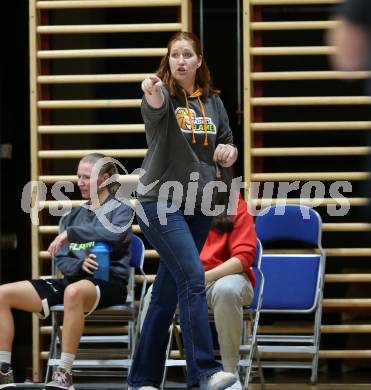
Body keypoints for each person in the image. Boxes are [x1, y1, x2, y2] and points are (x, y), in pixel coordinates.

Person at [128, 32, 239, 390]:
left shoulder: (214, 102)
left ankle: (142, 379)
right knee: (192, 278)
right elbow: (155, 106)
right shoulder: (164, 94)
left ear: (198, 61)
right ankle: (203, 373)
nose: (180, 61)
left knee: (165, 292)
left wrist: (228, 153)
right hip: (159, 200)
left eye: (187, 55)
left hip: (199, 202)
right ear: (169, 61)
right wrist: (152, 89)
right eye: (174, 55)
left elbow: (227, 143)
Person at [0, 153, 133, 390]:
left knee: (73, 292)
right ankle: (3, 370)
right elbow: (61, 257)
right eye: (78, 176)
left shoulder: (121, 209)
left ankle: (64, 374)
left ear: (103, 179)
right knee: (2, 294)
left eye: (86, 177)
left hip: (110, 283)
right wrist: (79, 265)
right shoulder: (72, 215)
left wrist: (72, 234)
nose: (79, 181)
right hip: (74, 282)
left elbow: (114, 234)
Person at [141, 190, 256, 390]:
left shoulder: (235, 202)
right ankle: (146, 379)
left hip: (225, 277)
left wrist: (200, 278)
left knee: (226, 290)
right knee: (153, 293)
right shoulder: (177, 202)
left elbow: (243, 258)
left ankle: (230, 374)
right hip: (187, 279)